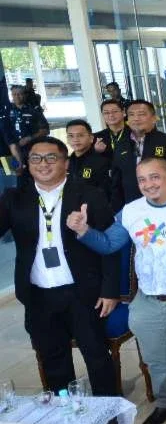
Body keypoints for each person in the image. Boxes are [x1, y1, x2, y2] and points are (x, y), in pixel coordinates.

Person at [70, 157, 166, 424]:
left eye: (155, 177)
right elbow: (108, 244)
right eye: (142, 179)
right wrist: (84, 230)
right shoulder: (131, 211)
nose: (148, 184)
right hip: (148, 299)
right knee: (155, 358)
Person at [1, 137, 119, 396]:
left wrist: (110, 290)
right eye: (36, 158)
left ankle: (110, 411)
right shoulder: (14, 198)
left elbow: (110, 245)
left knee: (97, 356)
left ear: (66, 163)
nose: (43, 164)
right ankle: (65, 410)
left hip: (83, 292)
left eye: (51, 158)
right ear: (28, 163)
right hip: (38, 295)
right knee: (53, 361)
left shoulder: (89, 194)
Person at [110, 100, 166, 210]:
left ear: (154, 118)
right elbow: (116, 184)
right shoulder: (121, 145)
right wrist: (117, 211)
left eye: (141, 114)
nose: (136, 118)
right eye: (131, 115)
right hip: (133, 209)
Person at [65, 119, 112, 198]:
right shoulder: (66, 163)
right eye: (71, 136)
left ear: (91, 138)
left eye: (80, 135)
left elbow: (107, 193)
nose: (75, 139)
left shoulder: (101, 162)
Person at [4, 85, 49, 163]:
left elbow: (45, 130)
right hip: (10, 150)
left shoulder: (34, 110)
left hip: (32, 149)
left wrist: (30, 138)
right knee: (12, 170)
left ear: (24, 95)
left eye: (19, 94)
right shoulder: (6, 111)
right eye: (14, 94)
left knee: (34, 169)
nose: (17, 96)